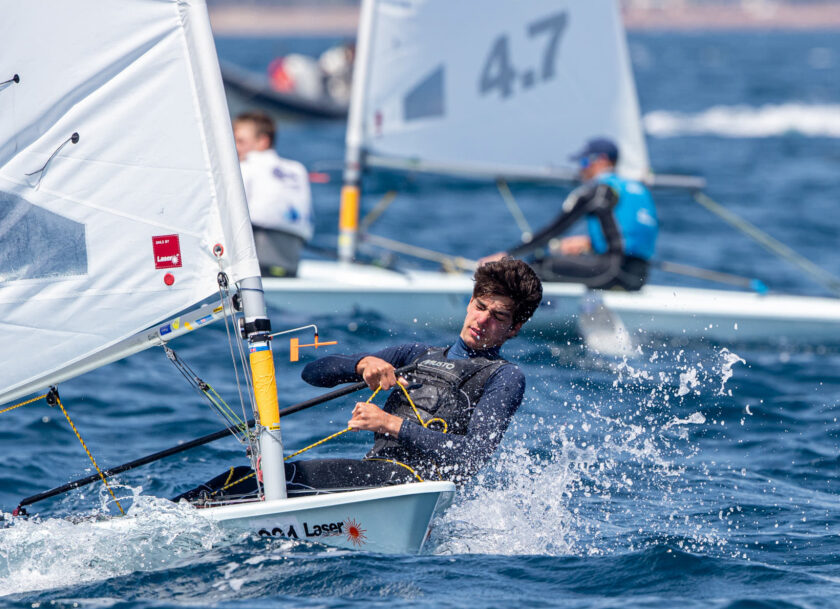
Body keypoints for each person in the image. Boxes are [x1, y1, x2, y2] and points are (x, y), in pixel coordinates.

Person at [174, 259, 542, 502]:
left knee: (275, 480)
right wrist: (363, 363)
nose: (482, 320)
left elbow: (474, 455)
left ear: (515, 329)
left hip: (412, 492)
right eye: (480, 306)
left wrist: (391, 424)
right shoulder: (416, 353)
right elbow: (312, 373)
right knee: (245, 478)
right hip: (374, 479)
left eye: (498, 316)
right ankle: (153, 520)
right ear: (469, 302)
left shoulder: (505, 377)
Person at [480, 138, 658, 291]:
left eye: (584, 163)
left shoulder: (599, 190)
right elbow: (630, 236)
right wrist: (590, 244)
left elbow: (553, 230)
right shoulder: (638, 189)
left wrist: (507, 256)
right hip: (639, 276)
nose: (581, 170)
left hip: (612, 272)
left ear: (602, 160)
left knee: (537, 266)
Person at [233, 110, 313, 278]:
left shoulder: (244, 167)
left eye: (240, 141)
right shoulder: (298, 169)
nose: (234, 146)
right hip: (291, 262)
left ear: (263, 141)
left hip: (259, 262)